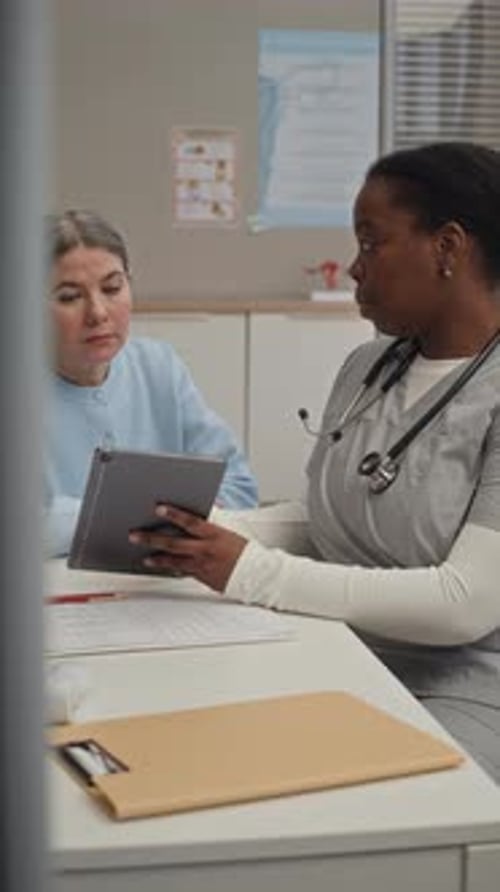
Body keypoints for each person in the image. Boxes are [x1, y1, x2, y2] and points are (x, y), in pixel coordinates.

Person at [128, 141, 500, 783]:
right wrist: (203, 529)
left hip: (468, 684)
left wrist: (252, 571)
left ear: (447, 248)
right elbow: (336, 520)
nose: (354, 268)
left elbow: (463, 602)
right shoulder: (368, 367)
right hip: (339, 646)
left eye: (371, 242)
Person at [45, 209, 258, 557]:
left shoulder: (158, 366)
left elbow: (238, 488)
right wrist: (158, 515)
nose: (98, 312)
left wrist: (111, 518)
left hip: (163, 572)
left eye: (112, 288)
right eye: (69, 297)